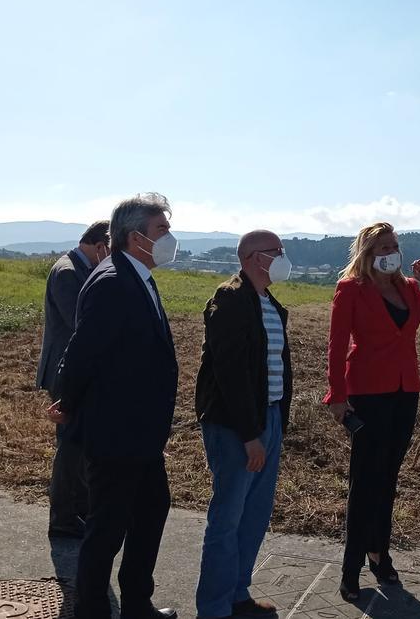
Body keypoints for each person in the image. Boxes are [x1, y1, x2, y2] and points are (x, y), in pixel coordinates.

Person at [51, 193, 180, 619]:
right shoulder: (111, 282)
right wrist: (67, 403)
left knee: (150, 513)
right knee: (107, 529)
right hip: (115, 433)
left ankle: (137, 604)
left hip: (140, 432)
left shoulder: (138, 276)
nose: (169, 238)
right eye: (161, 230)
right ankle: (92, 611)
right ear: (134, 236)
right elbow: (82, 352)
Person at [322, 222, 420, 601]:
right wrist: (337, 395)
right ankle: (351, 568)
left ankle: (379, 555)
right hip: (366, 393)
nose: (390, 252)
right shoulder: (350, 289)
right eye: (382, 247)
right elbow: (336, 344)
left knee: (389, 477)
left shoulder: (408, 288)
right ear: (366, 253)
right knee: (365, 481)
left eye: (394, 245)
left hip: (404, 391)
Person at [192, 230, 294, 619]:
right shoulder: (229, 299)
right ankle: (214, 609)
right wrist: (249, 434)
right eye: (277, 252)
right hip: (237, 425)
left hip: (267, 418)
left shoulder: (269, 303)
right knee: (228, 518)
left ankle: (237, 595)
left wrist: (273, 425)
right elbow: (230, 372)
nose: (284, 258)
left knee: (254, 515)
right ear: (254, 258)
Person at [37, 220, 110, 540]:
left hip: (76, 369)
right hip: (66, 371)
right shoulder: (68, 272)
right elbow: (81, 324)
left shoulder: (79, 267)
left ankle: (79, 510)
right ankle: (64, 518)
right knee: (70, 447)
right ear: (99, 246)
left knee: (79, 445)